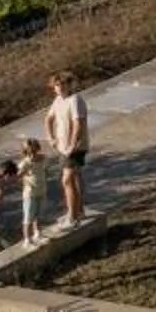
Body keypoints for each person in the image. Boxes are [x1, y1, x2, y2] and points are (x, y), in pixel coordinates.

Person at [46, 73, 89, 231]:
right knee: (75, 178)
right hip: (62, 147)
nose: (60, 88)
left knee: (67, 181)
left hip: (75, 148)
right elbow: (48, 119)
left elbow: (78, 124)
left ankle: (72, 217)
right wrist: (51, 138)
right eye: (57, 85)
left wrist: (72, 144)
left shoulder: (75, 100)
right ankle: (79, 211)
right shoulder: (58, 101)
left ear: (70, 84)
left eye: (63, 84)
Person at [15, 136, 50, 247]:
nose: (32, 153)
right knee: (28, 217)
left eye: (34, 150)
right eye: (29, 151)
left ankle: (37, 233)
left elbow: (46, 170)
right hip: (30, 194)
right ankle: (27, 240)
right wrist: (24, 180)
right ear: (25, 152)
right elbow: (17, 176)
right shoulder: (25, 163)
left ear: (37, 148)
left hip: (42, 190)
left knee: (38, 215)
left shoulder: (44, 158)